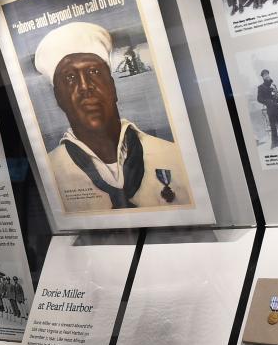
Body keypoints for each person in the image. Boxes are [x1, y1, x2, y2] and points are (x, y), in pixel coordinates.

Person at [35, 22, 189, 211]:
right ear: (59, 98)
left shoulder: (173, 156)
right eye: (70, 78)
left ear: (112, 87)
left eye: (94, 72)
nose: (85, 87)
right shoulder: (50, 174)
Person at [257, 68, 278, 149]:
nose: (266, 76)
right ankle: (275, 143)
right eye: (264, 75)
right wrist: (269, 102)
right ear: (262, 77)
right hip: (270, 109)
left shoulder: (273, 85)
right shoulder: (261, 87)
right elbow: (259, 99)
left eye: (267, 74)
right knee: (273, 126)